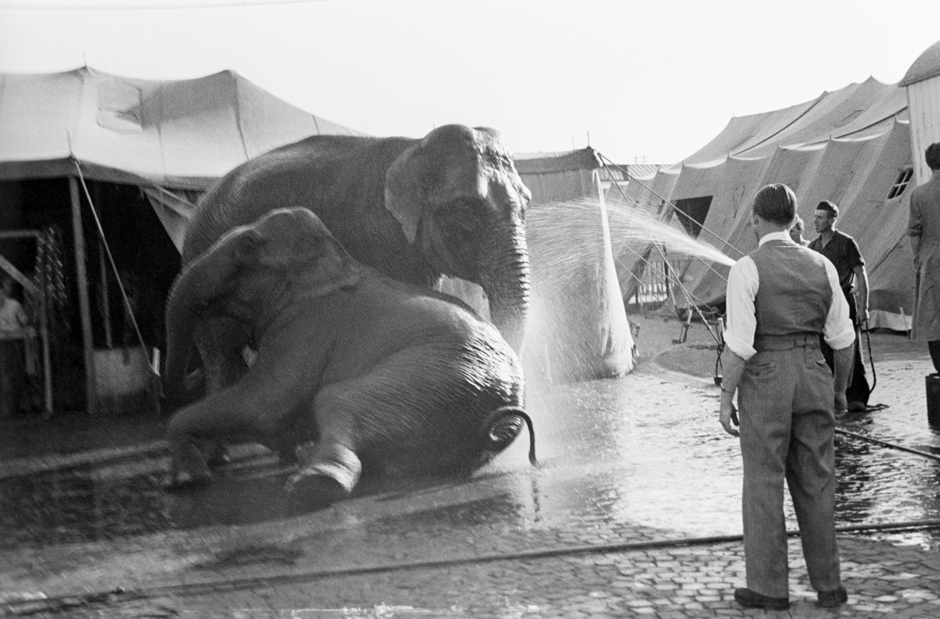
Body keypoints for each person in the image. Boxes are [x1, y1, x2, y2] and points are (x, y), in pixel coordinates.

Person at [719, 183, 854, 611]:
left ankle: (769, 588)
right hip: (815, 370)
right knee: (818, 483)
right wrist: (838, 392)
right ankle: (829, 585)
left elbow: (739, 344)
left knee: (763, 482)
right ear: (795, 220)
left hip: (766, 378)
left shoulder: (747, 268)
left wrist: (726, 397)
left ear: (757, 220)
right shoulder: (823, 266)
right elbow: (844, 341)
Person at [809, 201, 871, 411]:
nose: (815, 221)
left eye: (820, 217)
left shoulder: (846, 243)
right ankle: (834, 396)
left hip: (845, 300)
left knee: (851, 350)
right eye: (815, 217)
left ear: (832, 219)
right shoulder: (813, 247)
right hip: (823, 304)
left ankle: (857, 397)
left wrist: (864, 307)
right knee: (825, 350)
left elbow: (861, 275)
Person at [908, 142, 940, 374]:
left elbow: (914, 232)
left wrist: (918, 258)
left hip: (931, 259)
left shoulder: (918, 194)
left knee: (933, 318)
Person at [0, 274, 30, 417]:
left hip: (16, 343)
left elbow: (25, 322)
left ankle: (18, 407)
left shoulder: (15, 305)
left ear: (2, 292)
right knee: (4, 376)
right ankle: (6, 410)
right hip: (2, 344)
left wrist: (21, 326)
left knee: (17, 374)